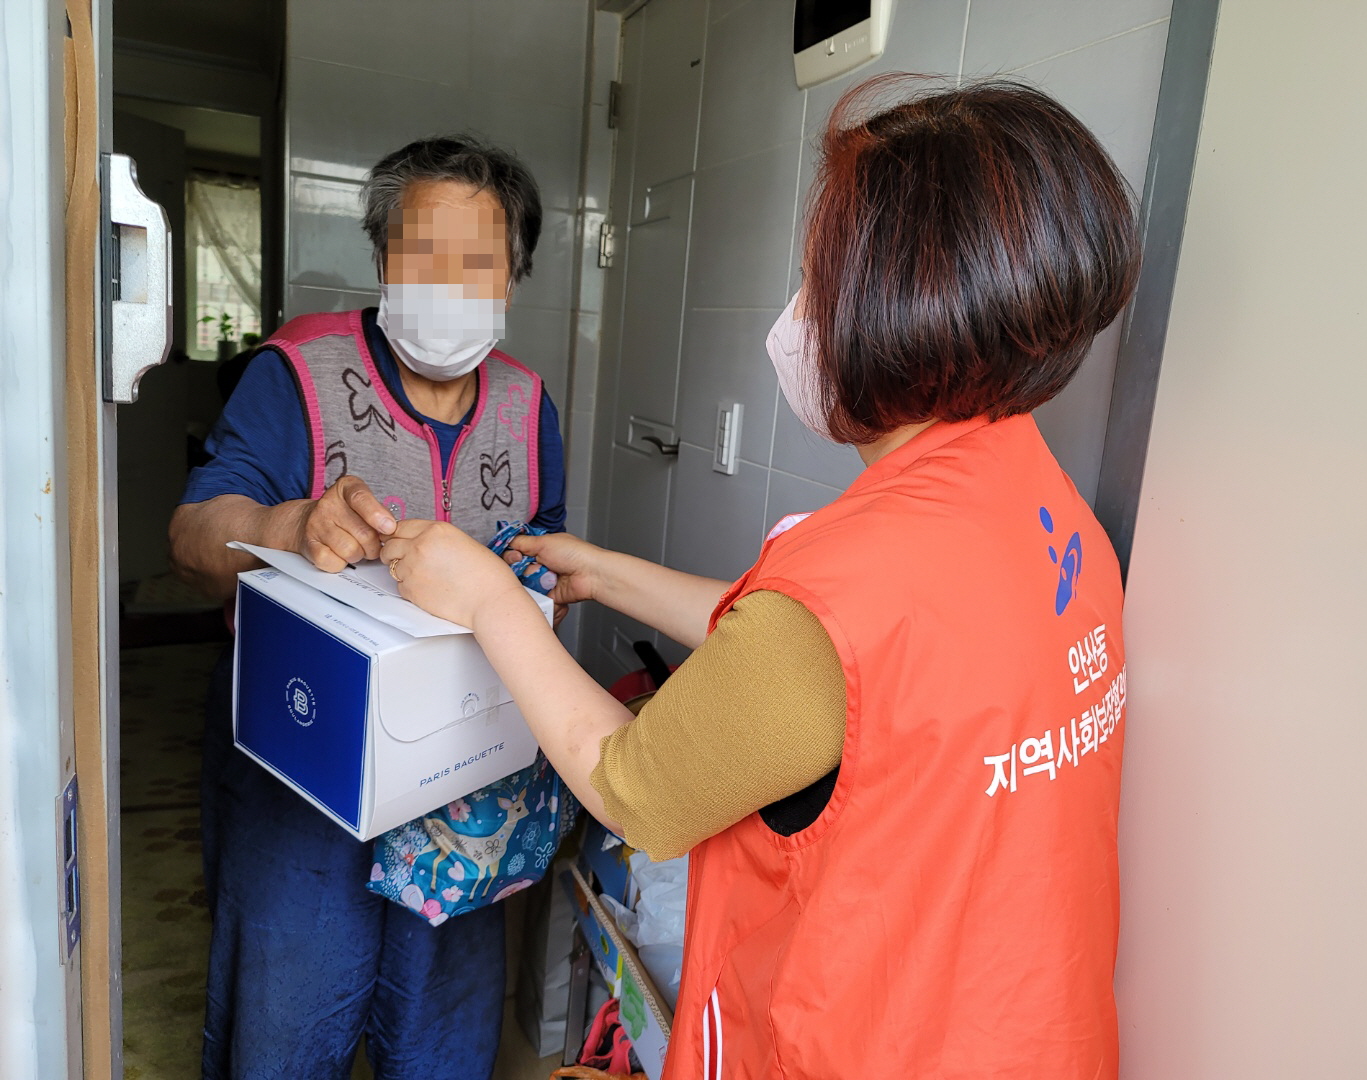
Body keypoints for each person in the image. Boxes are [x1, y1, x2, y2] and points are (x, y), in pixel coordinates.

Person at [383, 78, 1139, 1078]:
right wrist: (606, 574)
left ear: (894, 299)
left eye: (814, 277)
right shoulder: (1040, 506)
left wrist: (483, 596)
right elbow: (851, 684)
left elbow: (636, 788)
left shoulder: (855, 580)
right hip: (1031, 1033)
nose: (796, 316)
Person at [168, 135, 565, 1080]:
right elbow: (190, 536)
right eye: (421, 253)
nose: (448, 282)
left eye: (478, 261)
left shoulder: (529, 403)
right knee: (285, 1028)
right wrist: (287, 518)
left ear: (515, 272)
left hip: (462, 783)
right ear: (382, 257)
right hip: (302, 771)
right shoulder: (300, 369)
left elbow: (542, 563)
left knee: (443, 1033)